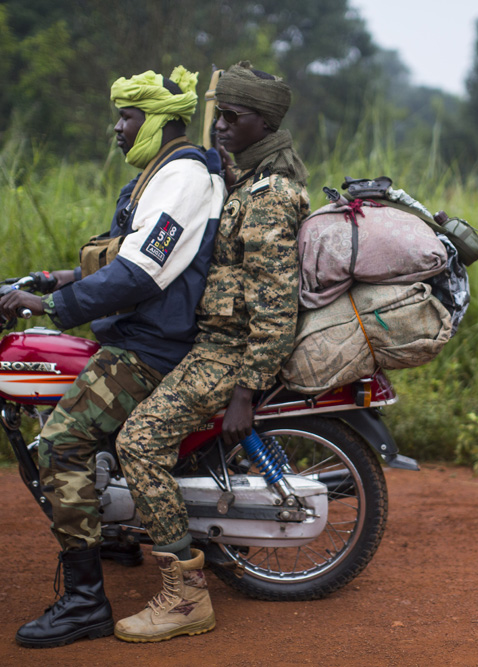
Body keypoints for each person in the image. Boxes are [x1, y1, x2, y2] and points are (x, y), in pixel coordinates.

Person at [0, 66, 226, 648]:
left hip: (150, 346)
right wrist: (56, 278)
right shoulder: (160, 175)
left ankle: (84, 603)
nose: (117, 129)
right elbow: (124, 256)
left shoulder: (182, 175)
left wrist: (54, 304)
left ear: (158, 120)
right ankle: (118, 534)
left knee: (61, 443)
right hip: (139, 332)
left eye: (127, 117)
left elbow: (142, 270)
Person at [111, 61, 311, 643]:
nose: (219, 125)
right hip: (205, 339)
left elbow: (275, 307)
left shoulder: (271, 195)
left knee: (140, 442)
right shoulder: (242, 178)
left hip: (227, 353)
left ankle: (186, 599)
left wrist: (245, 391)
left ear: (264, 122)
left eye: (233, 116)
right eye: (218, 114)